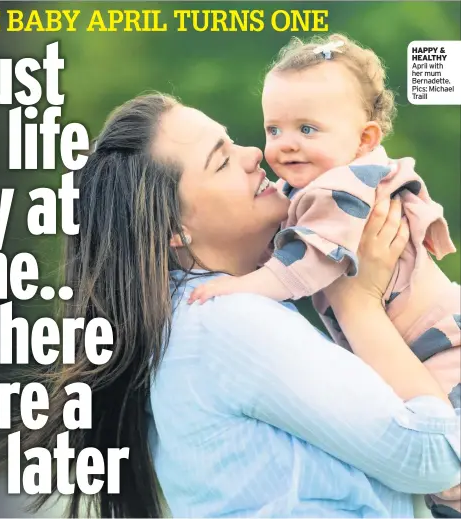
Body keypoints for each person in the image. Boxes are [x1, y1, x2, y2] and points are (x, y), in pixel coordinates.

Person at [20, 93, 460, 518]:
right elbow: (436, 453)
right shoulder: (223, 322)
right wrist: (358, 303)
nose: (253, 153)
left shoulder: (194, 322)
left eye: (232, 142)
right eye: (223, 160)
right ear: (176, 229)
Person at [186, 35, 461, 515]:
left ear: (365, 139)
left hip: (440, 344)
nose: (284, 144)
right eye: (275, 129)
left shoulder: (343, 187)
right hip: (423, 340)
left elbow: (306, 262)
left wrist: (243, 286)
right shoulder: (338, 180)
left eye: (308, 129)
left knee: (449, 476)